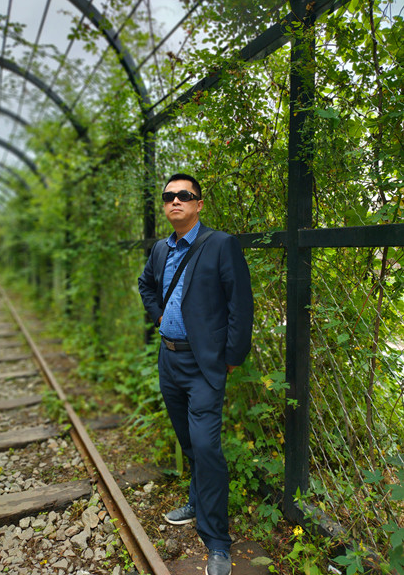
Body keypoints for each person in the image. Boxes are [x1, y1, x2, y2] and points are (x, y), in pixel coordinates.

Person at [138, 174, 253, 575]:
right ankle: (197, 500)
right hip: (169, 361)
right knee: (188, 442)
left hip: (204, 365)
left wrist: (232, 357)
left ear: (199, 204)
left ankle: (217, 542)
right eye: (169, 196)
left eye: (184, 195)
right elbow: (145, 285)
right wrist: (158, 317)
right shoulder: (160, 249)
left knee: (206, 447)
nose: (175, 201)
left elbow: (240, 303)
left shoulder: (221, 244)